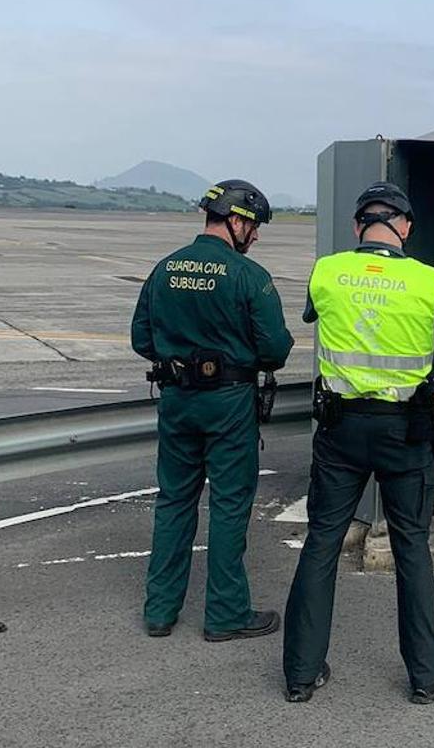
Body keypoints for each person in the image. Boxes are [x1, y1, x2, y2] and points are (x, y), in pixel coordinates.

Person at [282, 181, 434, 705]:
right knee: (411, 548)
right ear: (405, 227)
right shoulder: (430, 282)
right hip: (406, 433)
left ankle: (301, 675)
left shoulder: (327, 271)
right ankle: (425, 675)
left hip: (340, 430)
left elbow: (316, 317)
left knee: (323, 544)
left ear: (358, 226)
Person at [130, 179, 294, 641]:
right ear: (236, 221)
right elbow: (276, 348)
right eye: (255, 226)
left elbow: (141, 339)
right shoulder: (248, 277)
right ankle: (224, 614)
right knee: (228, 504)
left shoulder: (164, 269)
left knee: (174, 500)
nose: (256, 236)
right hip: (228, 404)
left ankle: (160, 610)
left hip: (178, 402)